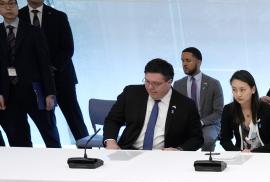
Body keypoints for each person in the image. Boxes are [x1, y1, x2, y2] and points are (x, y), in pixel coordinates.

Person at [19, 0, 87, 142]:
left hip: (62, 76)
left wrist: (49, 69)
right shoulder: (19, 16)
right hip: (37, 81)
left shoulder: (59, 16)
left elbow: (68, 48)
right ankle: (55, 154)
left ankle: (88, 152)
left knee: (74, 118)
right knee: (47, 123)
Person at [103, 58, 202, 151]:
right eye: (147, 81)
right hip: (130, 150)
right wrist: (110, 141)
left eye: (156, 83)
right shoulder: (131, 93)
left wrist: (179, 150)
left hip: (164, 156)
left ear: (170, 82)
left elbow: (197, 138)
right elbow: (112, 120)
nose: (150, 87)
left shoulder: (186, 105)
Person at [0, 0, 59, 148]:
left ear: (18, 7)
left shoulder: (33, 31)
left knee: (50, 135)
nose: (8, 7)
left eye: (12, 4)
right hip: (9, 96)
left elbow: (45, 65)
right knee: (18, 141)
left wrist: (50, 93)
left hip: (35, 92)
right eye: (3, 4)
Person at [173, 47, 224, 152]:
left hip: (208, 124)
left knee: (207, 139)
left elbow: (219, 112)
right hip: (186, 125)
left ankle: (206, 164)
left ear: (199, 62)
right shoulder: (178, 84)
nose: (184, 64)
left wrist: (201, 122)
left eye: (188, 60)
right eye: (182, 61)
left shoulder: (213, 83)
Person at [219, 70, 270, 153]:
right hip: (241, 156)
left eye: (242, 90)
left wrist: (253, 153)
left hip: (267, 155)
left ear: (253, 89)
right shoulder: (228, 110)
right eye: (234, 90)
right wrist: (239, 152)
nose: (238, 94)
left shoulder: (267, 109)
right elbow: (225, 140)